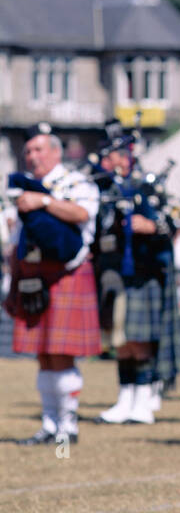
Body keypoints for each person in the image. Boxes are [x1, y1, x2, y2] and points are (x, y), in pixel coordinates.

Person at [5, 124, 101, 445]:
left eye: (39, 150)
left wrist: (43, 203)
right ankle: (49, 424)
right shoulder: (24, 189)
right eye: (28, 151)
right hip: (33, 275)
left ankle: (68, 425)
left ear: (56, 152)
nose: (32, 157)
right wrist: (13, 282)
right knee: (43, 354)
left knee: (62, 353)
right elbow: (16, 241)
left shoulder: (76, 182)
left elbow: (82, 213)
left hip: (67, 274)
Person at [94, 142, 179, 425]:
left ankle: (143, 400)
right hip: (116, 273)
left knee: (139, 340)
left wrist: (152, 226)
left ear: (126, 158)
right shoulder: (104, 190)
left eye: (113, 155)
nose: (108, 161)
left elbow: (172, 222)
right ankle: (125, 398)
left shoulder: (145, 189)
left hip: (144, 273)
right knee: (121, 340)